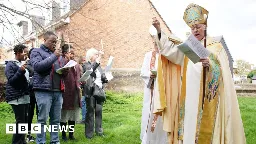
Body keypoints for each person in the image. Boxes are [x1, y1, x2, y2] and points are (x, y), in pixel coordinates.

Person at [152, 3, 246, 144]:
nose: (195, 30)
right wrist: (159, 30)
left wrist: (211, 65)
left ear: (205, 26)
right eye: (192, 28)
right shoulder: (189, 46)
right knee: (190, 128)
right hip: (190, 97)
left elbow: (223, 71)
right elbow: (172, 52)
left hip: (208, 99)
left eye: (198, 27)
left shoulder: (216, 46)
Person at [30, 31, 69, 144]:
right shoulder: (37, 52)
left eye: (55, 42)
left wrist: (65, 71)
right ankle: (40, 142)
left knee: (55, 120)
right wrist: (53, 56)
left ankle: (54, 141)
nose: (54, 44)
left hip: (58, 91)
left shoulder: (56, 55)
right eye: (52, 41)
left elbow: (58, 72)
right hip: (44, 91)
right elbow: (37, 67)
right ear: (44, 40)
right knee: (42, 119)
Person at [140, 35, 168, 144]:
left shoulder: (166, 56)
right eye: (154, 44)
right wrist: (149, 74)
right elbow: (143, 72)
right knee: (149, 115)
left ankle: (161, 140)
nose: (156, 46)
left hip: (162, 92)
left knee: (161, 119)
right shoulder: (148, 56)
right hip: (151, 91)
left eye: (158, 44)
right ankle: (149, 139)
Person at [5, 44, 30, 144]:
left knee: (23, 121)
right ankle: (16, 142)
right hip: (16, 97)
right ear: (19, 52)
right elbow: (11, 80)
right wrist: (20, 71)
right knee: (20, 121)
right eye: (25, 52)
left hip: (24, 96)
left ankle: (22, 141)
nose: (26, 54)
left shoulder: (22, 64)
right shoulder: (10, 65)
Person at [82, 48, 108, 139]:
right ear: (90, 56)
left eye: (98, 55)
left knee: (99, 111)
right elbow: (90, 71)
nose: (97, 56)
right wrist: (98, 60)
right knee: (90, 112)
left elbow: (102, 76)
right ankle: (89, 134)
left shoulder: (99, 66)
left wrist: (106, 77)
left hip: (99, 91)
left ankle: (99, 131)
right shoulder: (86, 64)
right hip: (91, 91)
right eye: (96, 54)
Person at [60, 44, 81, 141]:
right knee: (64, 114)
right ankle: (64, 135)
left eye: (73, 53)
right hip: (65, 93)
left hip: (75, 92)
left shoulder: (76, 64)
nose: (73, 55)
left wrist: (81, 81)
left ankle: (71, 135)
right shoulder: (61, 63)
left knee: (73, 115)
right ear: (65, 53)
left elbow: (78, 78)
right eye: (70, 53)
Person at [26, 48, 38, 142]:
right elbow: (34, 71)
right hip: (30, 93)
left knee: (39, 114)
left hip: (39, 92)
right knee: (30, 114)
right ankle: (28, 134)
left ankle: (39, 133)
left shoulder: (37, 62)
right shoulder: (28, 64)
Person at [77, 56, 87, 124]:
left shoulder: (83, 67)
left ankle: (84, 119)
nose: (84, 62)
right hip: (82, 87)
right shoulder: (80, 67)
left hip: (83, 88)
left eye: (85, 60)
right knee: (83, 103)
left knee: (83, 103)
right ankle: (84, 118)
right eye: (83, 60)